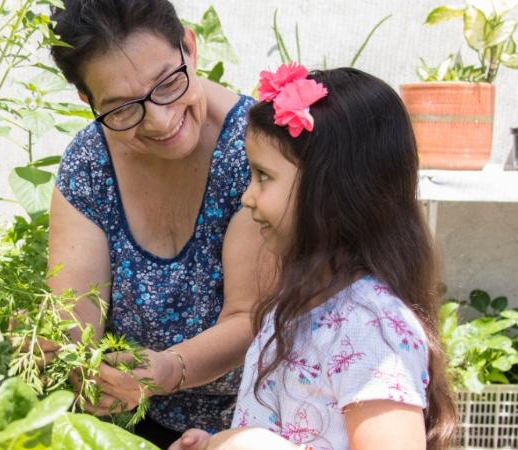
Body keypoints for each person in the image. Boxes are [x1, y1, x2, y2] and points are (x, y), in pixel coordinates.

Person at [170, 66, 457, 450]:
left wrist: (253, 446)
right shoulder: (297, 306)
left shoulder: (370, 326)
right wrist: (217, 443)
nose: (247, 197)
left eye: (263, 176)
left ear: (330, 191)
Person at [44, 0, 272, 447]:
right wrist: (68, 359)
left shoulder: (256, 151)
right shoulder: (90, 164)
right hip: (130, 423)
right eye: (122, 108)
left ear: (189, 45)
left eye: (167, 83)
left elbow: (250, 318)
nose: (161, 120)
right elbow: (75, 320)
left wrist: (168, 370)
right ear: (87, 100)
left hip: (254, 423)